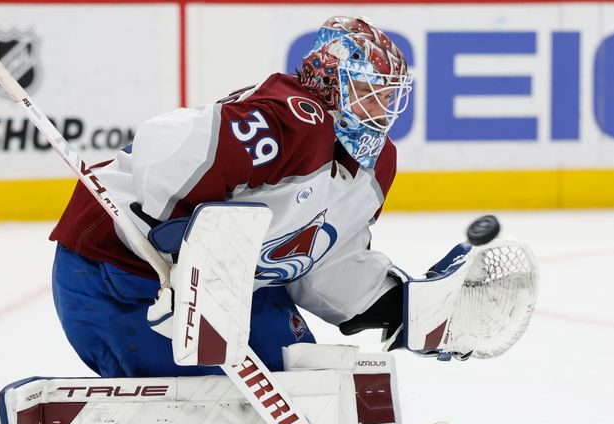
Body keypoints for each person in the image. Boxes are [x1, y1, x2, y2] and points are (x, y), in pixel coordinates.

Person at [49, 16, 413, 378]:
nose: (382, 108)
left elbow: (321, 263)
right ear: (332, 82)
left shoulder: (375, 170)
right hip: (117, 272)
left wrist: (399, 305)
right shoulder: (290, 119)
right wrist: (185, 264)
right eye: (369, 92)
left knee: (299, 379)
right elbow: (168, 146)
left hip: (230, 287)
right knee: (204, 402)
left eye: (387, 95)